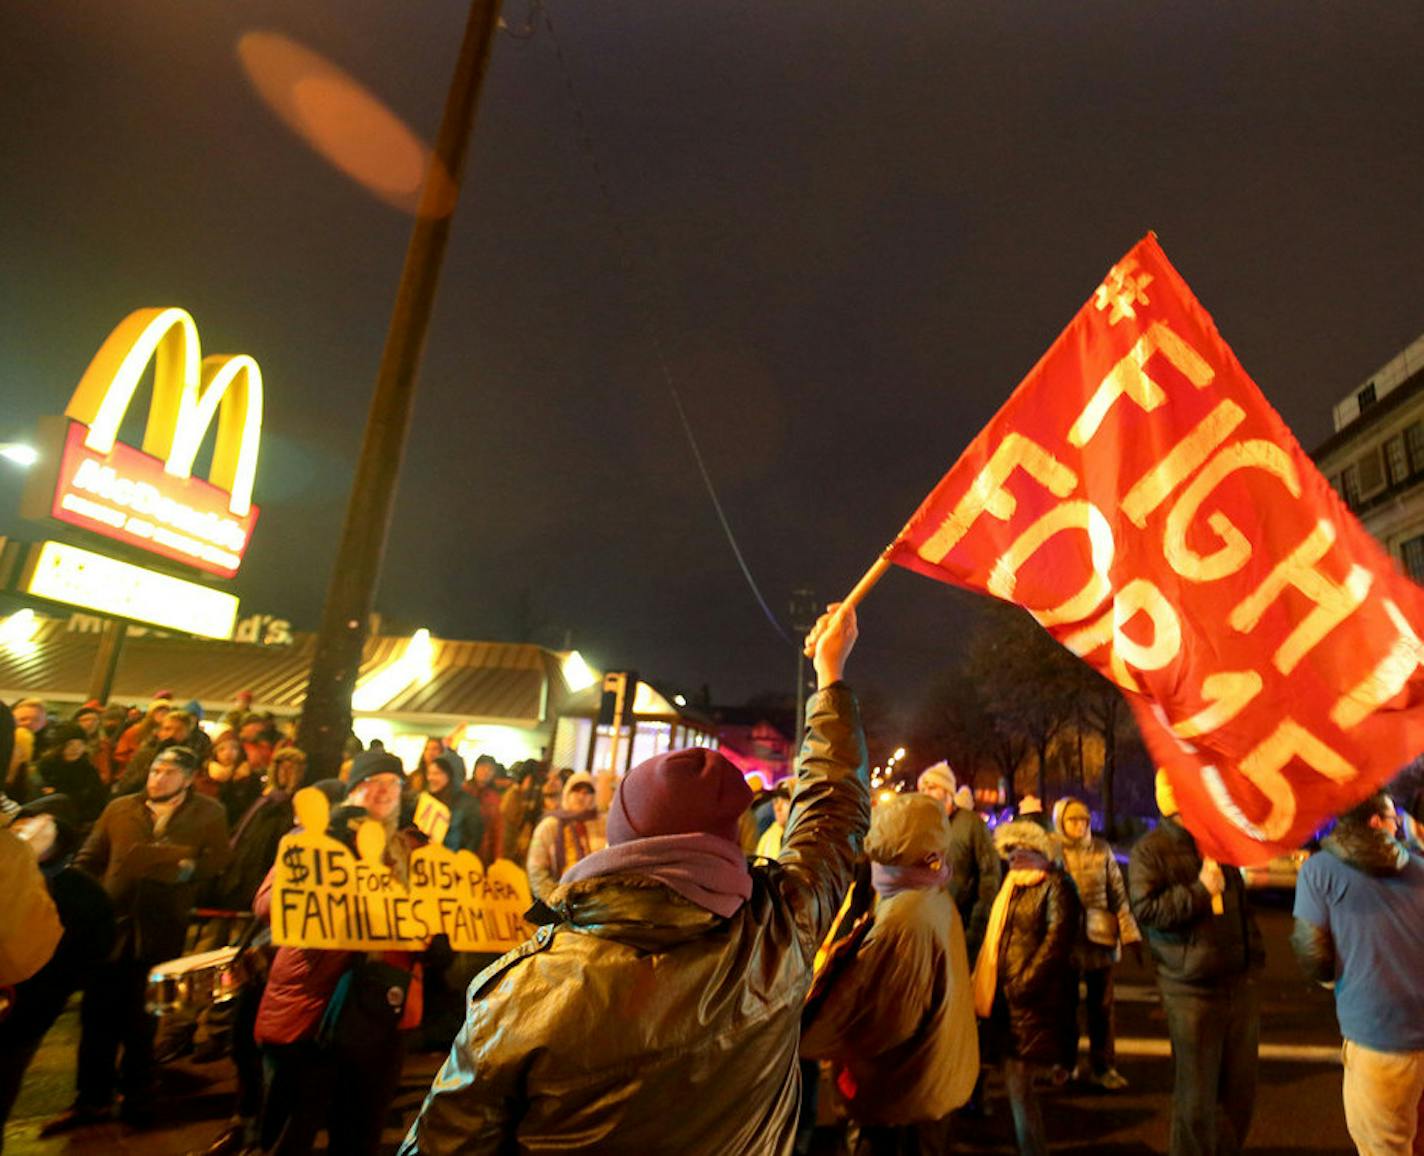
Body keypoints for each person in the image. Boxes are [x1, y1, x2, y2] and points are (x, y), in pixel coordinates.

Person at [398, 603, 870, 1154]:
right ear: (728, 840)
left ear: (623, 834)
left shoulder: (528, 991)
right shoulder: (780, 929)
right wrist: (830, 677)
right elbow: (834, 811)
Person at [42, 746, 229, 1134]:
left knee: (143, 1019)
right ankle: (91, 1099)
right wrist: (83, 897)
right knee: (97, 1016)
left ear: (189, 779)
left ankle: (137, 1094)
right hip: (113, 924)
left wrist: (186, 870)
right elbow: (91, 857)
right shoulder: (120, 808)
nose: (157, 778)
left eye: (169, 772)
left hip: (162, 927)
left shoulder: (209, 813)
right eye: (155, 770)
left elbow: (216, 862)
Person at [253, 749, 426, 1155]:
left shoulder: (407, 849)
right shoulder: (314, 840)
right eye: (372, 783)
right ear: (352, 792)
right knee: (292, 1129)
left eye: (393, 784)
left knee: (360, 1129)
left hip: (381, 1008)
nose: (383, 791)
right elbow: (265, 904)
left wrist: (433, 941)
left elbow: (426, 914)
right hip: (316, 1002)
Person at [801, 792, 978, 1154]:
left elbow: (882, 1020)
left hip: (903, 1098)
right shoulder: (931, 895)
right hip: (931, 1084)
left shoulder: (905, 919)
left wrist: (803, 1034)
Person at [1129, 770, 1263, 1156]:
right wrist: (1201, 891)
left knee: (1239, 1094)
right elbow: (1148, 911)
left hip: (1238, 983)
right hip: (1191, 989)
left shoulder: (1218, 843)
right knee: (1196, 1099)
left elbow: (1241, 908)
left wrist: (1254, 960)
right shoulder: (1150, 850)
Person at [1292, 791, 1424, 1155]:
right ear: (1376, 822)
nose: (1398, 828)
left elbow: (1311, 952)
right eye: (1394, 820)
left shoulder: (1319, 871)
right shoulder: (1420, 870)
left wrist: (1340, 981)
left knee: (1382, 1146)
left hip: (1378, 1039)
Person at [0, 796, 115, 1148]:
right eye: (22, 826)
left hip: (28, 1014)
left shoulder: (80, 892)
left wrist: (54, 988)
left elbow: (93, 950)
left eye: (40, 828)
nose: (27, 834)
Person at [974, 817, 1080, 1156]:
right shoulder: (1012, 887)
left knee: (1020, 1086)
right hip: (1005, 1000)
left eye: (1021, 850)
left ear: (1039, 851)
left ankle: (1033, 1149)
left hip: (1030, 1000)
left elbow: (1056, 942)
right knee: (1014, 1083)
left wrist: (1023, 983)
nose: (1014, 857)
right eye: (1010, 851)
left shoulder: (1056, 885)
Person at [1054, 795, 1141, 1090]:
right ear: (1060, 822)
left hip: (1100, 940)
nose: (1079, 826)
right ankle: (1065, 1064)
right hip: (1065, 943)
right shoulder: (1053, 852)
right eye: (1073, 820)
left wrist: (1129, 934)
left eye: (1084, 820)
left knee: (1101, 1009)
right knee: (1064, 1009)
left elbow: (1118, 893)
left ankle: (1103, 1066)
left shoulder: (1102, 851)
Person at [916, 762, 999, 959]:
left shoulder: (971, 824)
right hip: (926, 925)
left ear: (948, 791)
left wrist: (978, 924)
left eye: (933, 787)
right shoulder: (921, 826)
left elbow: (990, 875)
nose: (926, 792)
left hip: (961, 923)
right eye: (924, 788)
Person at [525, 771, 600, 901]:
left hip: (593, 904)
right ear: (567, 793)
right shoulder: (550, 825)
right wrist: (552, 899)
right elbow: (536, 869)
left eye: (587, 792)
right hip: (559, 903)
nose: (581, 797)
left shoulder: (600, 826)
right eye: (576, 791)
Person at [34, 721, 108, 826]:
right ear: (59, 745)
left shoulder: (88, 769)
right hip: (48, 822)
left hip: (81, 822)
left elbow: (97, 800)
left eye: (81, 744)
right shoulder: (45, 767)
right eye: (70, 744)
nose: (76, 749)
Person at [114, 707, 202, 795]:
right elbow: (126, 785)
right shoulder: (144, 754)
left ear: (187, 733)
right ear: (159, 732)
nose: (172, 734)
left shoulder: (192, 759)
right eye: (167, 729)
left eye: (179, 730)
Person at [425, 749, 484, 854]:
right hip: (424, 862)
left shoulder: (468, 804)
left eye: (437, 773)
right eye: (429, 773)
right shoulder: (426, 799)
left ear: (452, 776)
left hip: (453, 865)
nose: (430, 778)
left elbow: (473, 840)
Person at [112, 697, 172, 777]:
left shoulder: (169, 732)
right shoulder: (135, 730)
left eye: (166, 711)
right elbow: (120, 754)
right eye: (159, 711)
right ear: (151, 713)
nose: (163, 714)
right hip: (131, 772)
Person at [463, 754, 505, 863]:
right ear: (475, 769)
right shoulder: (463, 791)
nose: (486, 772)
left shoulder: (495, 797)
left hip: (484, 853)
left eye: (490, 769)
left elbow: (498, 829)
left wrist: (498, 857)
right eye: (482, 767)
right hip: (461, 848)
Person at [755, 785, 792, 859]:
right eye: (776, 801)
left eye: (785, 801)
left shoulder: (807, 835)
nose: (777, 808)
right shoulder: (769, 835)